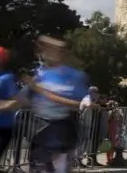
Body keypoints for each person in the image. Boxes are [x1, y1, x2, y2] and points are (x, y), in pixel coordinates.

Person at [23, 36, 88, 173]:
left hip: (63, 132)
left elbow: (79, 104)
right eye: (45, 49)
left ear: (62, 53)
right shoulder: (40, 74)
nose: (47, 53)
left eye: (53, 49)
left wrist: (42, 91)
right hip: (40, 131)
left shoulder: (75, 76)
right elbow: (24, 100)